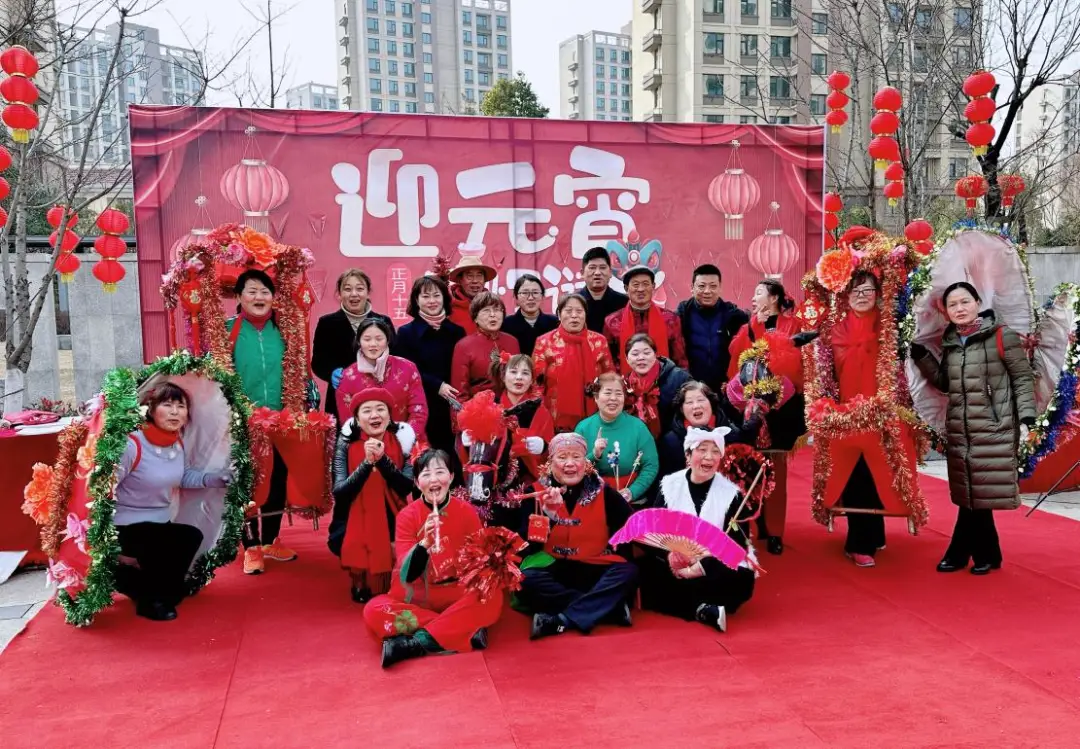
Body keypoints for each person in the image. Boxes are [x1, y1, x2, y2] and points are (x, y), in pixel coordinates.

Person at [911, 282, 1036, 575]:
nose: (959, 309)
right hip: (960, 429)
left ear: (978, 302)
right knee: (972, 493)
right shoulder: (951, 340)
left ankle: (958, 552)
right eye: (953, 305)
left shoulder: (1001, 336)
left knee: (976, 494)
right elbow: (945, 383)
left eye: (965, 302)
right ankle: (988, 553)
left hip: (994, 426)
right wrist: (922, 358)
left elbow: (1022, 378)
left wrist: (1027, 417)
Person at [364, 449, 504, 668]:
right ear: (417, 482)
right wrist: (424, 545)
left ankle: (414, 643)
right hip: (420, 594)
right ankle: (461, 628)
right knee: (373, 611)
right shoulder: (407, 517)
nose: (433, 479)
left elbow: (480, 563)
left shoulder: (467, 512)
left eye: (440, 472)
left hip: (458, 590)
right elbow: (407, 573)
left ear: (451, 477)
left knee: (492, 595)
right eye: (426, 474)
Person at [112, 383, 231, 621]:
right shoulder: (132, 444)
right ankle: (148, 599)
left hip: (158, 523)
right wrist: (107, 543)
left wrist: (215, 479)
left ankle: (141, 587)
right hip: (126, 526)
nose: (175, 412)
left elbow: (183, 476)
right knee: (177, 540)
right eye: (167, 405)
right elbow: (105, 486)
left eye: (181, 406)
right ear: (151, 410)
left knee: (188, 539)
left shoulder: (176, 443)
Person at [824, 270, 917, 567]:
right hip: (846, 414)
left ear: (879, 293)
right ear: (845, 295)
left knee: (881, 470)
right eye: (856, 291)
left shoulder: (891, 328)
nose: (862, 296)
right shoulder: (834, 330)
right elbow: (825, 376)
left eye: (868, 290)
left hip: (884, 412)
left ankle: (874, 531)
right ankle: (858, 540)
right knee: (855, 473)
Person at [515, 433, 638, 639]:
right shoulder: (534, 493)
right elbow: (525, 548)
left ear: (586, 461)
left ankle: (560, 620)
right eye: (562, 457)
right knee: (525, 579)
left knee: (629, 571)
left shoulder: (605, 493)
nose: (570, 464)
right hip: (552, 568)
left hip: (594, 568)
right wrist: (549, 516)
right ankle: (607, 609)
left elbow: (631, 529)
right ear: (550, 462)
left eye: (576, 457)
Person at [641, 427, 758, 633]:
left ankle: (691, 602)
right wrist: (669, 555)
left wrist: (703, 560)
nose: (708, 457)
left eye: (715, 452)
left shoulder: (732, 494)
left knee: (743, 578)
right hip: (676, 567)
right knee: (645, 573)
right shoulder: (669, 485)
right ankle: (703, 609)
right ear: (688, 455)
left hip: (711, 564)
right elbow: (652, 532)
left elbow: (738, 544)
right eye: (702, 450)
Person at [726, 279, 807, 556]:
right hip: (750, 409)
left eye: (758, 292)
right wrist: (753, 327)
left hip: (782, 408)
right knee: (750, 470)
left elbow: (795, 361)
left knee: (777, 472)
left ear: (774, 297)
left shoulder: (793, 325)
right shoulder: (747, 325)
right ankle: (753, 525)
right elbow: (736, 356)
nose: (753, 297)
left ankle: (775, 532)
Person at [227, 269, 297, 575]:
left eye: (265, 291)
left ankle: (270, 539)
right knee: (247, 482)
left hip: (281, 419)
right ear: (239, 297)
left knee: (278, 478)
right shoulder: (226, 331)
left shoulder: (284, 330)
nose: (259, 297)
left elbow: (298, 372)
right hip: (243, 421)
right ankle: (251, 547)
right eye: (252, 291)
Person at [329, 388, 417, 603]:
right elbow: (340, 492)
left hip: (394, 512)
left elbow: (406, 487)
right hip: (352, 516)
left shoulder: (402, 441)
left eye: (381, 409)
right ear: (357, 420)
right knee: (345, 538)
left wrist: (383, 460)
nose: (375, 415)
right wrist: (367, 463)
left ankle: (389, 577)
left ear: (389, 416)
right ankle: (360, 578)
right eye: (367, 411)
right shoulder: (345, 445)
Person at [392, 276, 467, 455]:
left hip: (453, 403)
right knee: (425, 455)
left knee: (454, 455)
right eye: (425, 296)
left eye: (436, 295)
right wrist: (437, 385)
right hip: (421, 402)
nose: (432, 301)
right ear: (416, 300)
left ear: (444, 298)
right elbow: (406, 371)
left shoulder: (456, 332)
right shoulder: (406, 333)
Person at [311, 269, 394, 425]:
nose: (354, 294)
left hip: (377, 397)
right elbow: (318, 362)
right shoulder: (327, 323)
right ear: (339, 294)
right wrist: (331, 373)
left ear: (368, 292)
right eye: (347, 289)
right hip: (341, 397)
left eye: (360, 288)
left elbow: (395, 358)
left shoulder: (383, 321)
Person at [532, 293, 616, 432]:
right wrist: (540, 416)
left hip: (594, 412)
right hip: (555, 415)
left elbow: (610, 377)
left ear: (585, 314)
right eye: (568, 311)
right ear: (559, 314)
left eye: (579, 311)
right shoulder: (545, 342)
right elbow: (537, 384)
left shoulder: (599, 341)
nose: (574, 315)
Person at [574, 372, 659, 507]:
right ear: (596, 397)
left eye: (619, 394)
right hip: (593, 499)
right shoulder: (583, 428)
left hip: (632, 501)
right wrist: (594, 455)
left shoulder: (638, 427)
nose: (613, 398)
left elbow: (651, 465)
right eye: (607, 393)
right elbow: (574, 467)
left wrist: (632, 492)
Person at [335, 317, 428, 439]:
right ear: (359, 342)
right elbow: (349, 422)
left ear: (387, 340)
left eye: (379, 339)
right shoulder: (347, 377)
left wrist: (403, 441)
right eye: (367, 339)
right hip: (367, 448)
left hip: (408, 442)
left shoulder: (408, 368)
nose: (373, 344)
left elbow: (419, 411)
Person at [658, 381, 760, 477]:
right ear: (681, 409)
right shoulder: (671, 442)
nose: (696, 406)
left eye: (701, 400)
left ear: (711, 403)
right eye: (689, 402)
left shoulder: (731, 434)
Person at [676, 264, 749, 393]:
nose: (707, 291)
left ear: (720, 288)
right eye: (702, 286)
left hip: (725, 387)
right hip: (691, 387)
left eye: (713, 286)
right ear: (692, 288)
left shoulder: (734, 315)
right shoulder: (682, 314)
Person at [603, 265, 687, 374]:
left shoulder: (670, 319)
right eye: (635, 285)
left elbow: (680, 360)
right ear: (626, 288)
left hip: (664, 384)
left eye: (646, 284)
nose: (641, 289)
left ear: (653, 286)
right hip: (625, 386)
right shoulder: (612, 321)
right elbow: (608, 362)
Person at [450, 291, 520, 400]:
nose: (492, 315)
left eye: (497, 310)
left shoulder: (512, 341)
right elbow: (459, 392)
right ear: (475, 318)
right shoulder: (464, 346)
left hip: (511, 407)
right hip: (478, 410)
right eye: (486, 310)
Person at [623, 332, 692, 439]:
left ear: (655, 354)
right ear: (627, 359)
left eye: (646, 353)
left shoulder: (679, 378)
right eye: (635, 354)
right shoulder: (625, 384)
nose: (641, 358)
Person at [500, 273, 558, 356]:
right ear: (516, 297)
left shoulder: (553, 323)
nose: (530, 298)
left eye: (535, 292)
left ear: (542, 296)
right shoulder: (506, 324)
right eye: (525, 293)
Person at [580, 246, 629, 334]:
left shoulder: (624, 303)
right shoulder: (572, 303)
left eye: (602, 267)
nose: (597, 273)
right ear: (582, 273)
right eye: (592, 268)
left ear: (610, 272)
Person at [447, 255, 496, 334]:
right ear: (460, 280)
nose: (475, 281)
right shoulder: (448, 306)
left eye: (479, 275)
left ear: (484, 280)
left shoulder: (493, 305)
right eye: (469, 276)